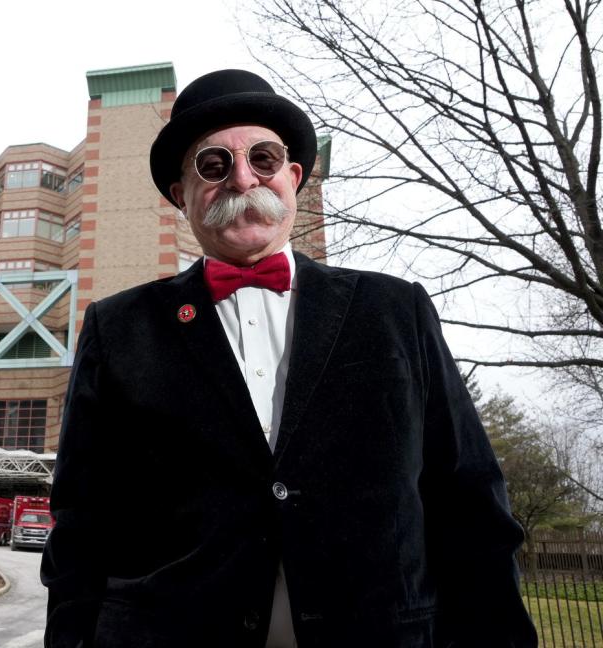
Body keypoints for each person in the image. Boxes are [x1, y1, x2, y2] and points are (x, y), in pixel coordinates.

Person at [41, 69, 537, 648]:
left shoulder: (394, 309)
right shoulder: (117, 327)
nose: (242, 178)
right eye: (213, 165)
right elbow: (82, 520)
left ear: (293, 178)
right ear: (182, 194)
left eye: (264, 158)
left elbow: (468, 498)